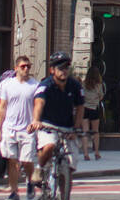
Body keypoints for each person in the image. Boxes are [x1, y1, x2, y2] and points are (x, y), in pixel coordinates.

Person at [30, 52, 85, 181]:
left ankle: (63, 197)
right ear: (52, 70)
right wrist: (36, 120)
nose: (64, 71)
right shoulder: (45, 85)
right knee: (50, 145)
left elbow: (80, 107)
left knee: (69, 168)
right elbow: (39, 103)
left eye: (66, 68)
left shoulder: (75, 85)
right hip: (48, 125)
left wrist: (76, 128)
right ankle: (40, 167)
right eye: (60, 68)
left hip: (67, 127)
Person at [0, 55, 39, 200]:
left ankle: (30, 181)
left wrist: (35, 121)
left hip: (27, 129)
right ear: (16, 68)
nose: (26, 69)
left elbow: (39, 105)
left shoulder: (35, 85)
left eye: (28, 66)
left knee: (27, 161)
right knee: (12, 162)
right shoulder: (7, 85)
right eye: (23, 66)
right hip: (10, 128)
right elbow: (2, 107)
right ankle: (14, 192)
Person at [81, 66, 106, 161]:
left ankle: (86, 153)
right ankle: (96, 152)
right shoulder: (99, 85)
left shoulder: (84, 84)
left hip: (85, 108)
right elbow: (101, 96)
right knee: (95, 132)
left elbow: (81, 95)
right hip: (94, 108)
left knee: (85, 132)